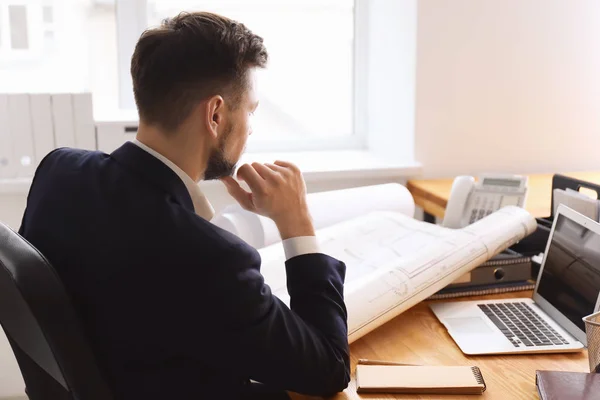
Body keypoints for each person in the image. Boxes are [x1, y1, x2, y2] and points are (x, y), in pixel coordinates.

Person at [18, 11, 350, 400]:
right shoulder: (209, 260)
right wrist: (297, 223)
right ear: (215, 114)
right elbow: (329, 368)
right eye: (251, 111)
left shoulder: (59, 171)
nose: (251, 127)